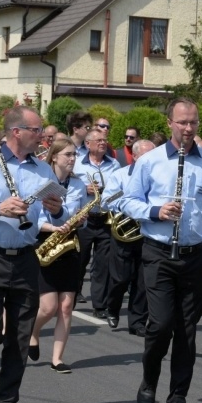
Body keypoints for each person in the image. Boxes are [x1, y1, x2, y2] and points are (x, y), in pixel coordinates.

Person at [122, 97, 202, 403]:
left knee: (187, 331)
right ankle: (149, 379)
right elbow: (128, 201)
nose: (188, 128)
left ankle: (178, 397)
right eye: (182, 122)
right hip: (158, 252)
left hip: (195, 254)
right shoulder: (151, 161)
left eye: (193, 122)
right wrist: (156, 211)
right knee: (161, 324)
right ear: (169, 123)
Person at [0, 106, 64, 403]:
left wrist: (57, 209)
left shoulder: (42, 169)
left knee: (19, 338)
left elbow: (54, 210)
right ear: (17, 132)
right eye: (37, 130)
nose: (42, 136)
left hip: (26, 258)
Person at [29, 138, 88, 374]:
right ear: (54, 156)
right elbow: (34, 215)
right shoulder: (42, 181)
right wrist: (52, 228)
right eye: (67, 155)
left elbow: (77, 216)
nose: (73, 159)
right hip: (45, 241)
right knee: (48, 307)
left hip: (69, 243)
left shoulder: (78, 184)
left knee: (65, 306)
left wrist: (79, 221)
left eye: (74, 154)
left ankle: (57, 359)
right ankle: (32, 331)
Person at [103, 139, 156, 334]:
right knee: (120, 278)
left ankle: (137, 322)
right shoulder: (120, 175)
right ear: (134, 156)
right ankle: (113, 308)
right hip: (125, 232)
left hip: (147, 233)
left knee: (143, 280)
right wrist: (127, 202)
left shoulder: (158, 176)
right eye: (144, 155)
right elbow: (106, 201)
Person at [73, 129, 119, 319]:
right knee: (80, 260)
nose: (103, 143)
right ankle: (72, 294)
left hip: (105, 218)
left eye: (105, 140)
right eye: (99, 140)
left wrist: (109, 192)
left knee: (102, 265)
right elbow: (69, 188)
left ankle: (99, 305)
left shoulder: (114, 164)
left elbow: (121, 189)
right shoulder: (77, 164)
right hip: (85, 218)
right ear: (88, 144)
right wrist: (85, 189)